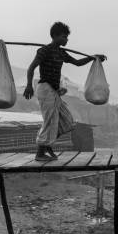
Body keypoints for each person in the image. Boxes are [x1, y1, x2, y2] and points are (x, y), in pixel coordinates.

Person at [24, 22, 106, 161]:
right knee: (49, 121)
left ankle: (47, 144)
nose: (66, 40)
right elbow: (31, 68)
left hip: (54, 91)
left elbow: (77, 63)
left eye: (67, 37)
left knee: (66, 120)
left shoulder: (61, 52)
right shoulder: (44, 50)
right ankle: (40, 153)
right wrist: (28, 85)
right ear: (55, 36)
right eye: (64, 37)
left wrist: (93, 58)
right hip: (45, 89)